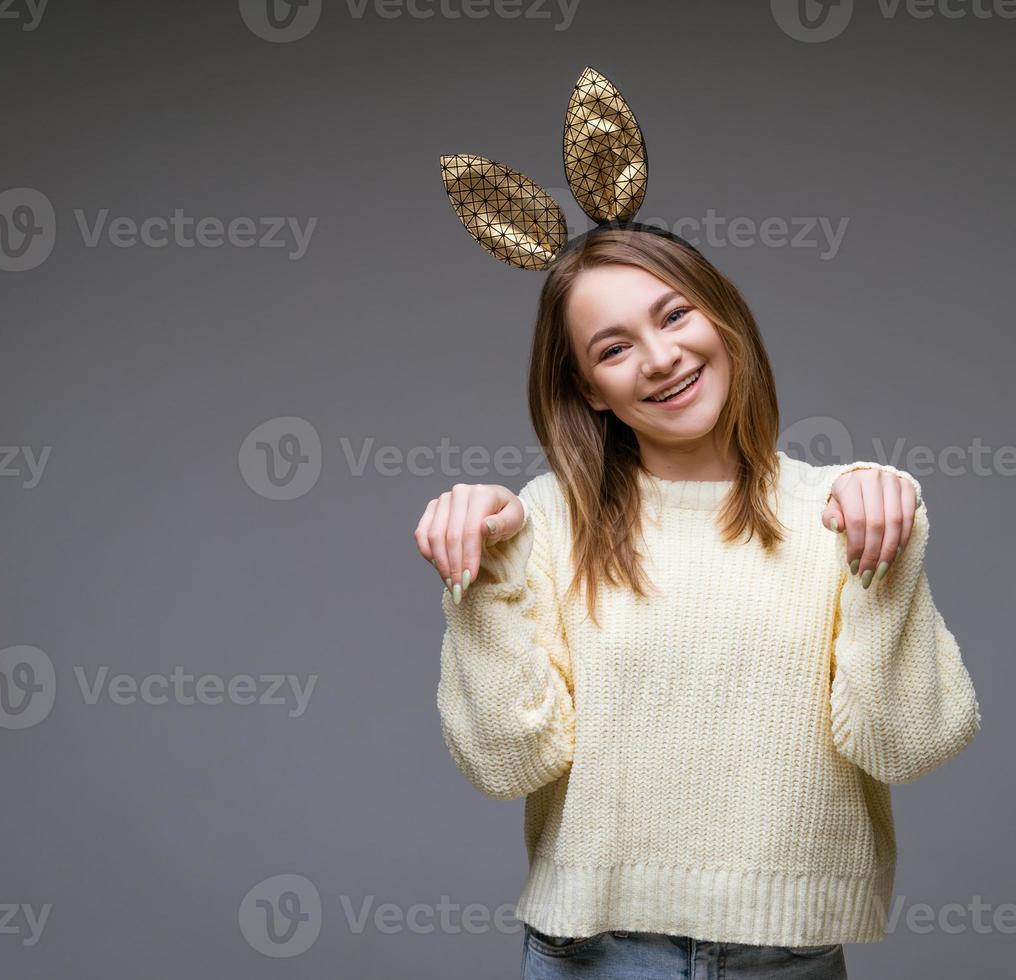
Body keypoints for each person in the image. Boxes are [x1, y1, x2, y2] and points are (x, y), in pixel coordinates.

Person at [413, 222, 982, 979]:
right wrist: (485, 568)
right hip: (597, 956)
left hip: (790, 958)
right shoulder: (542, 523)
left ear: (721, 313)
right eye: (613, 348)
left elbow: (908, 744)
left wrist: (884, 548)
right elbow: (506, 764)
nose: (661, 358)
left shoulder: (842, 509)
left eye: (674, 314)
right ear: (590, 388)